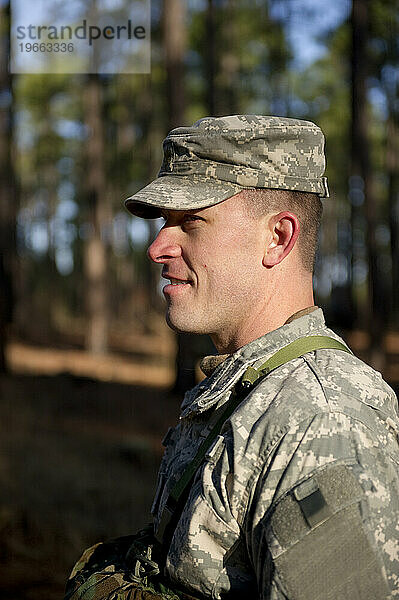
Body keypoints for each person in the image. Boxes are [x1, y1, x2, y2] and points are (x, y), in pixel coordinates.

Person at [66, 115, 399, 599]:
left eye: (191, 223)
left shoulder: (323, 420)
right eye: (164, 223)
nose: (158, 246)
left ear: (277, 238)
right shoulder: (248, 390)